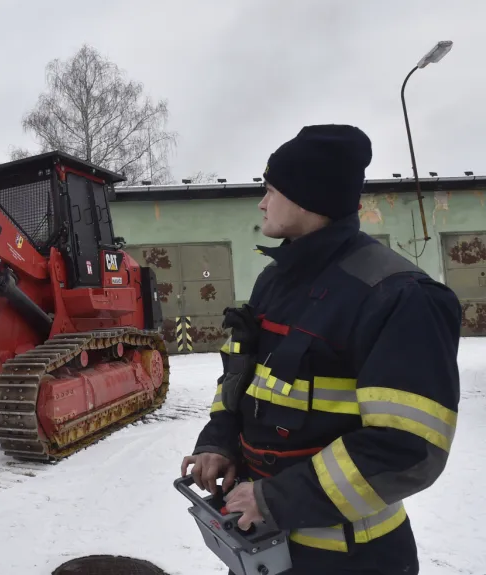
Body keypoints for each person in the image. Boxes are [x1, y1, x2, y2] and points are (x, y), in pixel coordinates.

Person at [180, 124, 462, 575]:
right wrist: (219, 441)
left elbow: (407, 447)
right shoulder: (276, 280)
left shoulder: (398, 296)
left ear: (307, 196)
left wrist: (276, 499)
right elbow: (242, 378)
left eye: (270, 189)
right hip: (262, 544)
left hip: (352, 559)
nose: (262, 201)